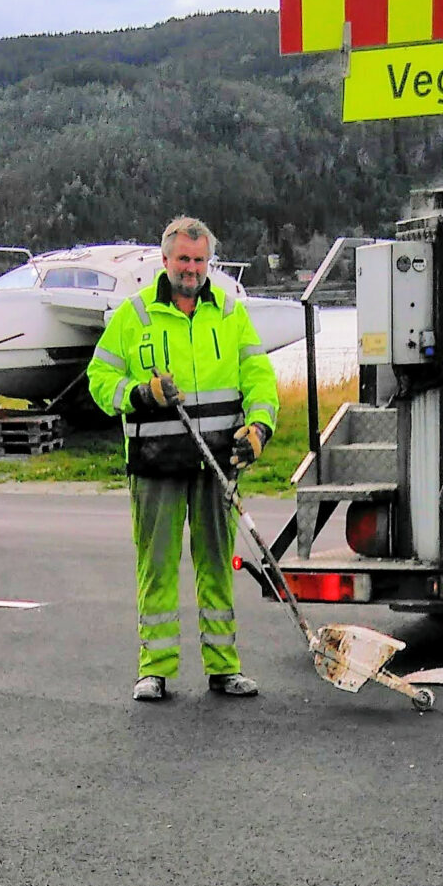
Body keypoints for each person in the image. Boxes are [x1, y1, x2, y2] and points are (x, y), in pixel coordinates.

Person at [88, 217, 279, 701]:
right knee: (157, 568)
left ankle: (224, 668)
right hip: (155, 464)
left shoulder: (230, 314)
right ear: (165, 260)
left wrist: (259, 428)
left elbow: (259, 378)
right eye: (183, 260)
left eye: (199, 260)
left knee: (216, 565)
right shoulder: (133, 316)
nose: (191, 269)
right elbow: (99, 381)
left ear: (208, 262)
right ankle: (154, 670)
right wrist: (140, 393)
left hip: (217, 463)